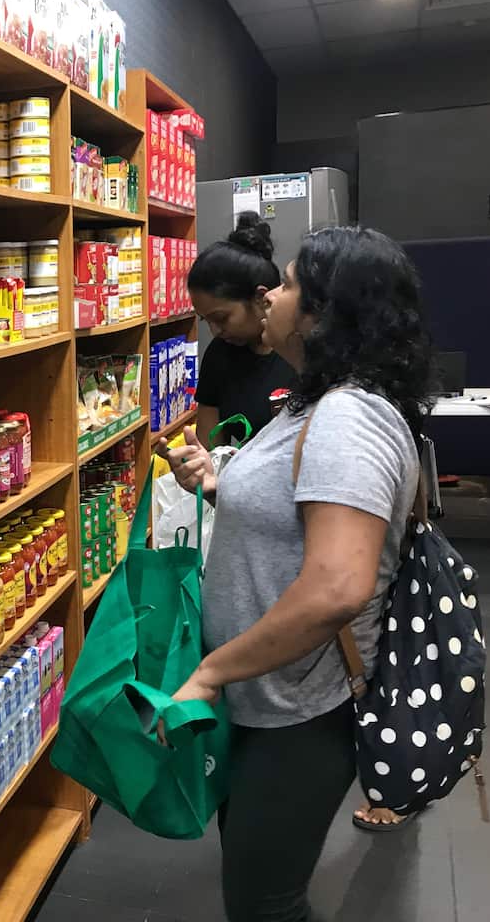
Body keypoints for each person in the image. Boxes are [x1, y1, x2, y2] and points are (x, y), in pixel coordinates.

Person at [159, 225, 434, 921]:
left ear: (322, 310)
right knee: (255, 886)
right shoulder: (323, 400)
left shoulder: (347, 417)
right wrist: (219, 481)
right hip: (270, 697)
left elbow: (339, 586)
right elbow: (296, 509)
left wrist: (213, 672)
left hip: (301, 710)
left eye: (285, 284)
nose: (271, 295)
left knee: (265, 904)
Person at [189, 212, 296, 449]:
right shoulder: (219, 355)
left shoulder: (298, 350)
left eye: (221, 318)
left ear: (260, 298)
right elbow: (211, 452)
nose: (215, 331)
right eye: (205, 320)